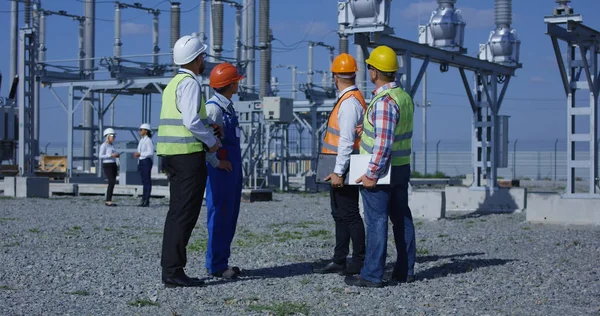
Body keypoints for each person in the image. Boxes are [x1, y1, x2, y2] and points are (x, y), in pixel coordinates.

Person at [345, 45, 416, 288]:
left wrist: (371, 174)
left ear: (374, 71)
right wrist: (366, 129)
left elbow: (384, 143)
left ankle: (372, 274)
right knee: (401, 218)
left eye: (370, 67)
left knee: (376, 221)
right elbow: (391, 133)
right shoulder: (403, 97)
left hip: (381, 171)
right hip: (400, 167)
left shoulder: (384, 101)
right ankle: (404, 271)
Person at [156, 34, 220, 288]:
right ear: (196, 59)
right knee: (184, 215)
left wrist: (208, 126)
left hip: (172, 156)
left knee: (176, 214)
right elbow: (190, 121)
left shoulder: (173, 83)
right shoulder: (191, 84)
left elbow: (189, 118)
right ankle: (173, 272)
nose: (204, 60)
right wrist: (211, 141)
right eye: (203, 56)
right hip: (187, 158)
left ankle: (171, 268)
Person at [313, 53, 367, 276]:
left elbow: (345, 141)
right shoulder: (350, 100)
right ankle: (340, 258)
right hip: (337, 163)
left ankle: (359, 260)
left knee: (350, 214)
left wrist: (338, 172)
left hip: (343, 165)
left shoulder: (349, 103)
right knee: (339, 213)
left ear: (335, 77)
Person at [203, 63, 245, 279]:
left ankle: (222, 260)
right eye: (236, 80)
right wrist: (216, 162)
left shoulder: (226, 106)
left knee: (229, 215)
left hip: (232, 169)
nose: (239, 83)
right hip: (221, 170)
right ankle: (216, 264)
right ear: (230, 84)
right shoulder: (214, 109)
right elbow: (206, 140)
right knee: (219, 214)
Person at [133, 123, 154, 207]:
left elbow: (150, 152)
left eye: (141, 130)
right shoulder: (141, 140)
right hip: (141, 161)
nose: (140, 131)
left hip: (146, 161)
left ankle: (146, 200)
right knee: (144, 181)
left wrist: (140, 154)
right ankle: (143, 199)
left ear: (146, 131)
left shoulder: (148, 140)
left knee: (147, 181)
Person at [99, 128, 119, 207]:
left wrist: (116, 155)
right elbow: (100, 156)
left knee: (113, 182)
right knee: (111, 181)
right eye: (112, 135)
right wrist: (110, 155)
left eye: (114, 136)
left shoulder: (112, 146)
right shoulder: (104, 145)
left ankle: (109, 199)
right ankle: (108, 200)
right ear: (107, 136)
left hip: (113, 164)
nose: (113, 137)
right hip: (107, 165)